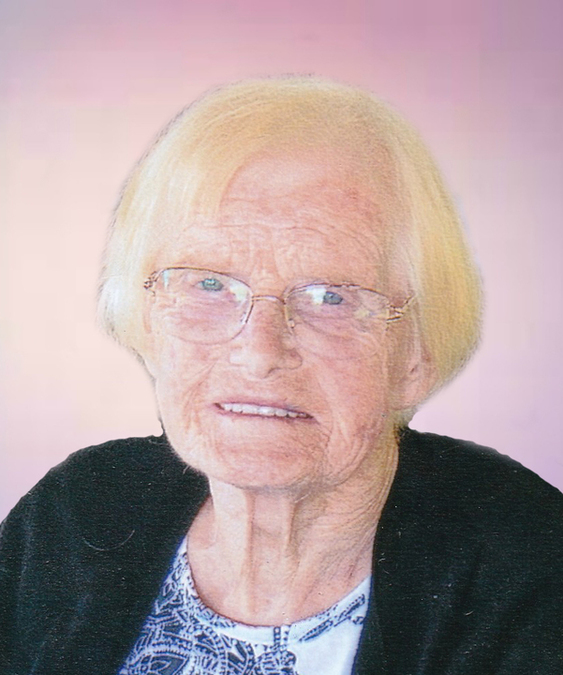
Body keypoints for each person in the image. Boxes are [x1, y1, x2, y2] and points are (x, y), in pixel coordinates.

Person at [0, 76, 562, 675]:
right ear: (145, 316)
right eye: (209, 284)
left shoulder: (529, 571)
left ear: (414, 354)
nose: (259, 353)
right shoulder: (78, 511)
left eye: (330, 297)